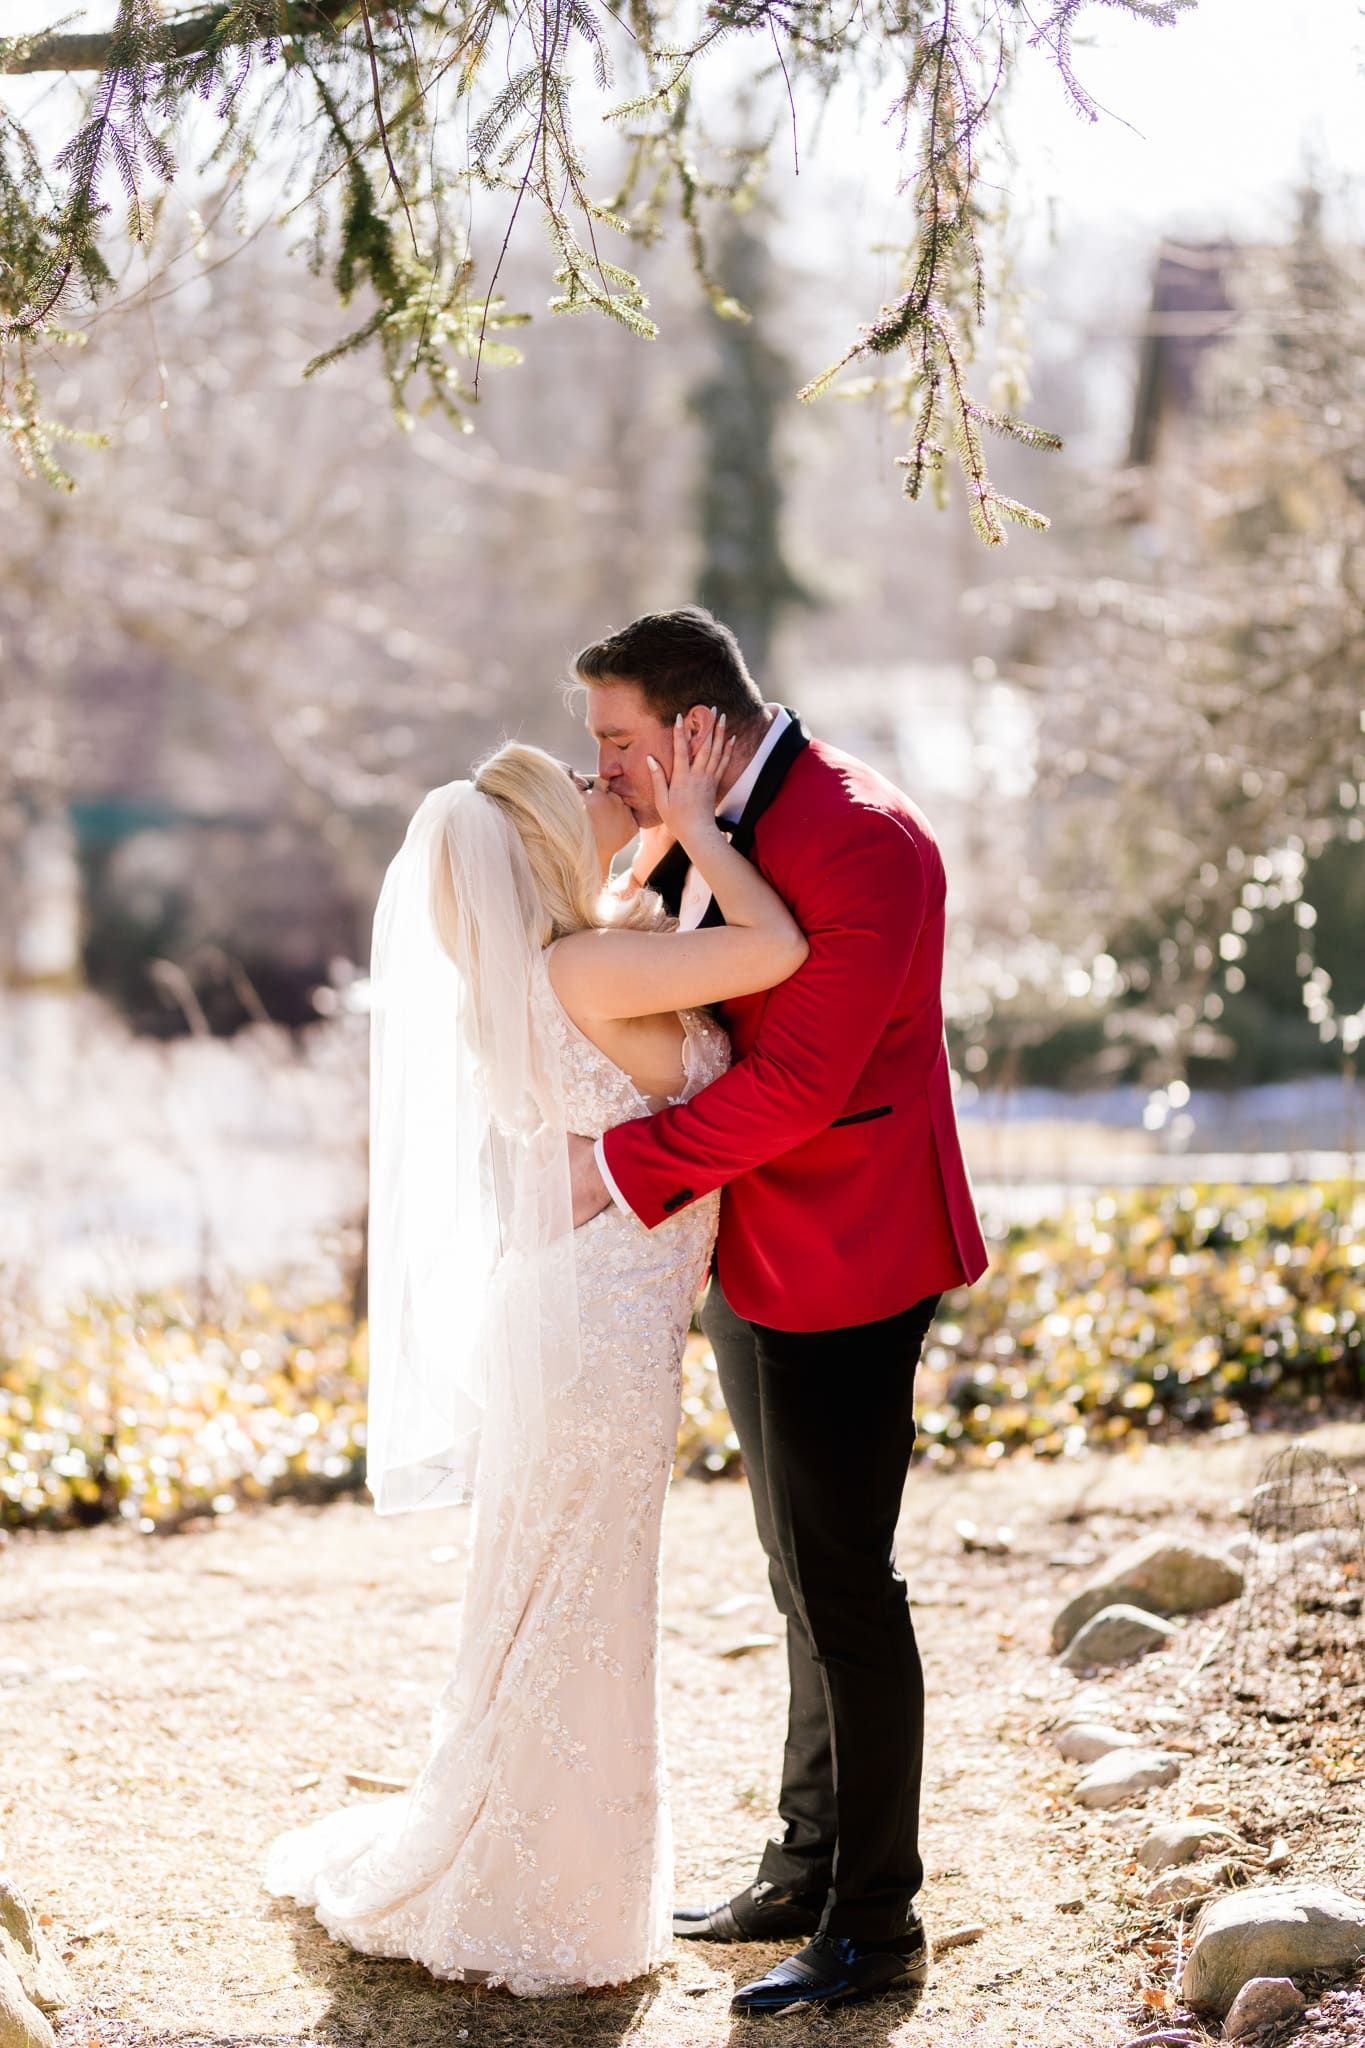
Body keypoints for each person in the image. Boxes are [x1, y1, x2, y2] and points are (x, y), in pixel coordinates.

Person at [263, 728, 806, 1996]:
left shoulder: (557, 957)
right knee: (582, 1594)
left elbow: (624, 935)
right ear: (542, 848)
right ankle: (545, 1896)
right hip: (601, 1326)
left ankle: (529, 1864)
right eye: (578, 786)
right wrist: (703, 826)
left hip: (581, 1313)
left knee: (548, 1591)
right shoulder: (591, 963)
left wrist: (660, 832)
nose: (597, 778)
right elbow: (773, 951)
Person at [567, 605, 989, 2016]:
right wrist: (667, 838)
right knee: (797, 1574)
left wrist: (613, 1167)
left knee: (849, 1591)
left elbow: (799, 1084)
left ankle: (876, 1927)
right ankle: (800, 1867)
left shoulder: (859, 836)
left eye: (620, 744)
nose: (609, 771)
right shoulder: (716, 823)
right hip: (753, 1246)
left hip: (850, 1254)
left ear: (695, 725)